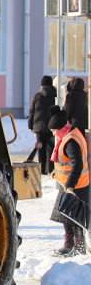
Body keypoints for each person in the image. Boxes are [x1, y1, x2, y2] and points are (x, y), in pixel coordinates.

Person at [50, 106, 89, 256]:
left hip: (76, 185)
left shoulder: (70, 141)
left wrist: (70, 185)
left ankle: (78, 249)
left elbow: (77, 164)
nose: (53, 133)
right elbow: (64, 161)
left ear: (60, 128)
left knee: (74, 218)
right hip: (68, 184)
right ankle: (70, 246)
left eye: (54, 130)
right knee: (66, 216)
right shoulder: (68, 134)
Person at [27, 76, 58, 174]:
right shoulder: (55, 95)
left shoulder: (37, 96)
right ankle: (50, 170)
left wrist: (30, 125)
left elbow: (32, 112)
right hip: (51, 127)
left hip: (39, 128)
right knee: (51, 149)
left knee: (41, 149)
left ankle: (42, 171)